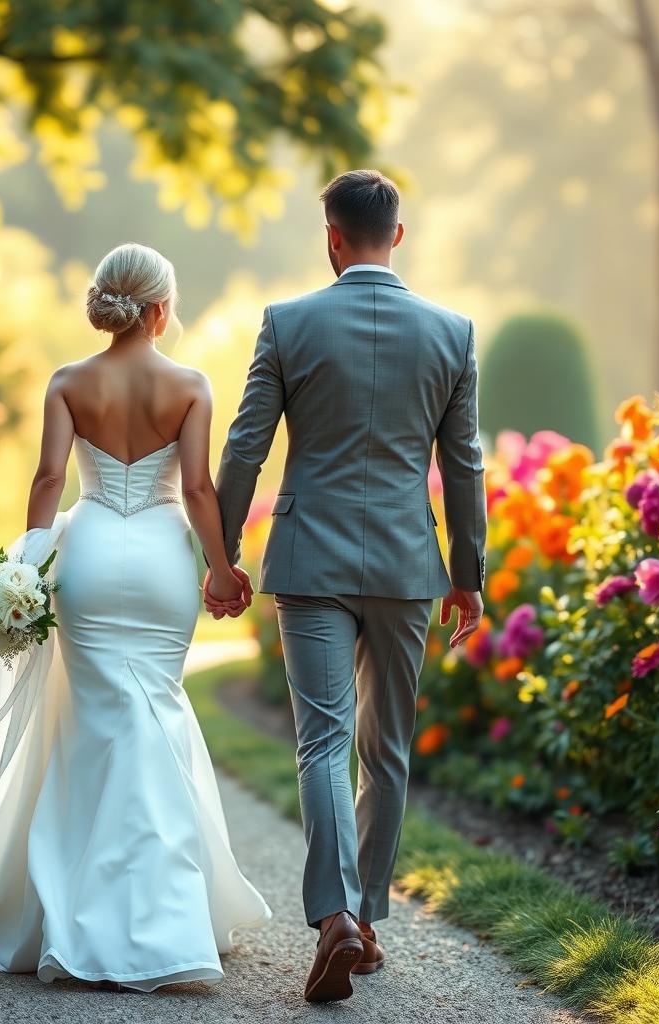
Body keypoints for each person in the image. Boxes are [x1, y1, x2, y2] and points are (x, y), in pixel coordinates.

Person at [0, 242, 269, 991]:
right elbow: (201, 490)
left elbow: (51, 478)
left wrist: (28, 569)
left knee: (93, 724)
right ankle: (160, 920)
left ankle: (73, 910)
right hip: (157, 563)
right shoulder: (189, 384)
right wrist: (220, 567)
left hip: (83, 560)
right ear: (159, 309)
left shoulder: (68, 382)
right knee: (155, 714)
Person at [208, 169, 487, 1003]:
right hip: (407, 565)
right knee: (385, 749)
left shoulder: (288, 324)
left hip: (310, 562)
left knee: (323, 739)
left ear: (331, 236)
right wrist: (468, 574)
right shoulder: (452, 332)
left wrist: (221, 553)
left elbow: (245, 446)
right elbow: (464, 463)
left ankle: (330, 915)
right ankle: (362, 920)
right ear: (396, 235)